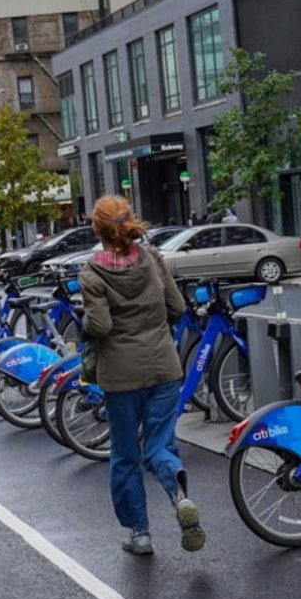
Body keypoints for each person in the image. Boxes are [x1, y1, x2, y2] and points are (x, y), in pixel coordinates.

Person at [78, 195, 203, 557]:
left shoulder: (92, 271)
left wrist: (86, 325)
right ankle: (179, 497)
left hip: (121, 376)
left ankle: (139, 533)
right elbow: (177, 307)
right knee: (161, 446)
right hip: (164, 367)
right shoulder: (151, 258)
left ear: (96, 229)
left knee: (125, 454)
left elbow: (99, 325)